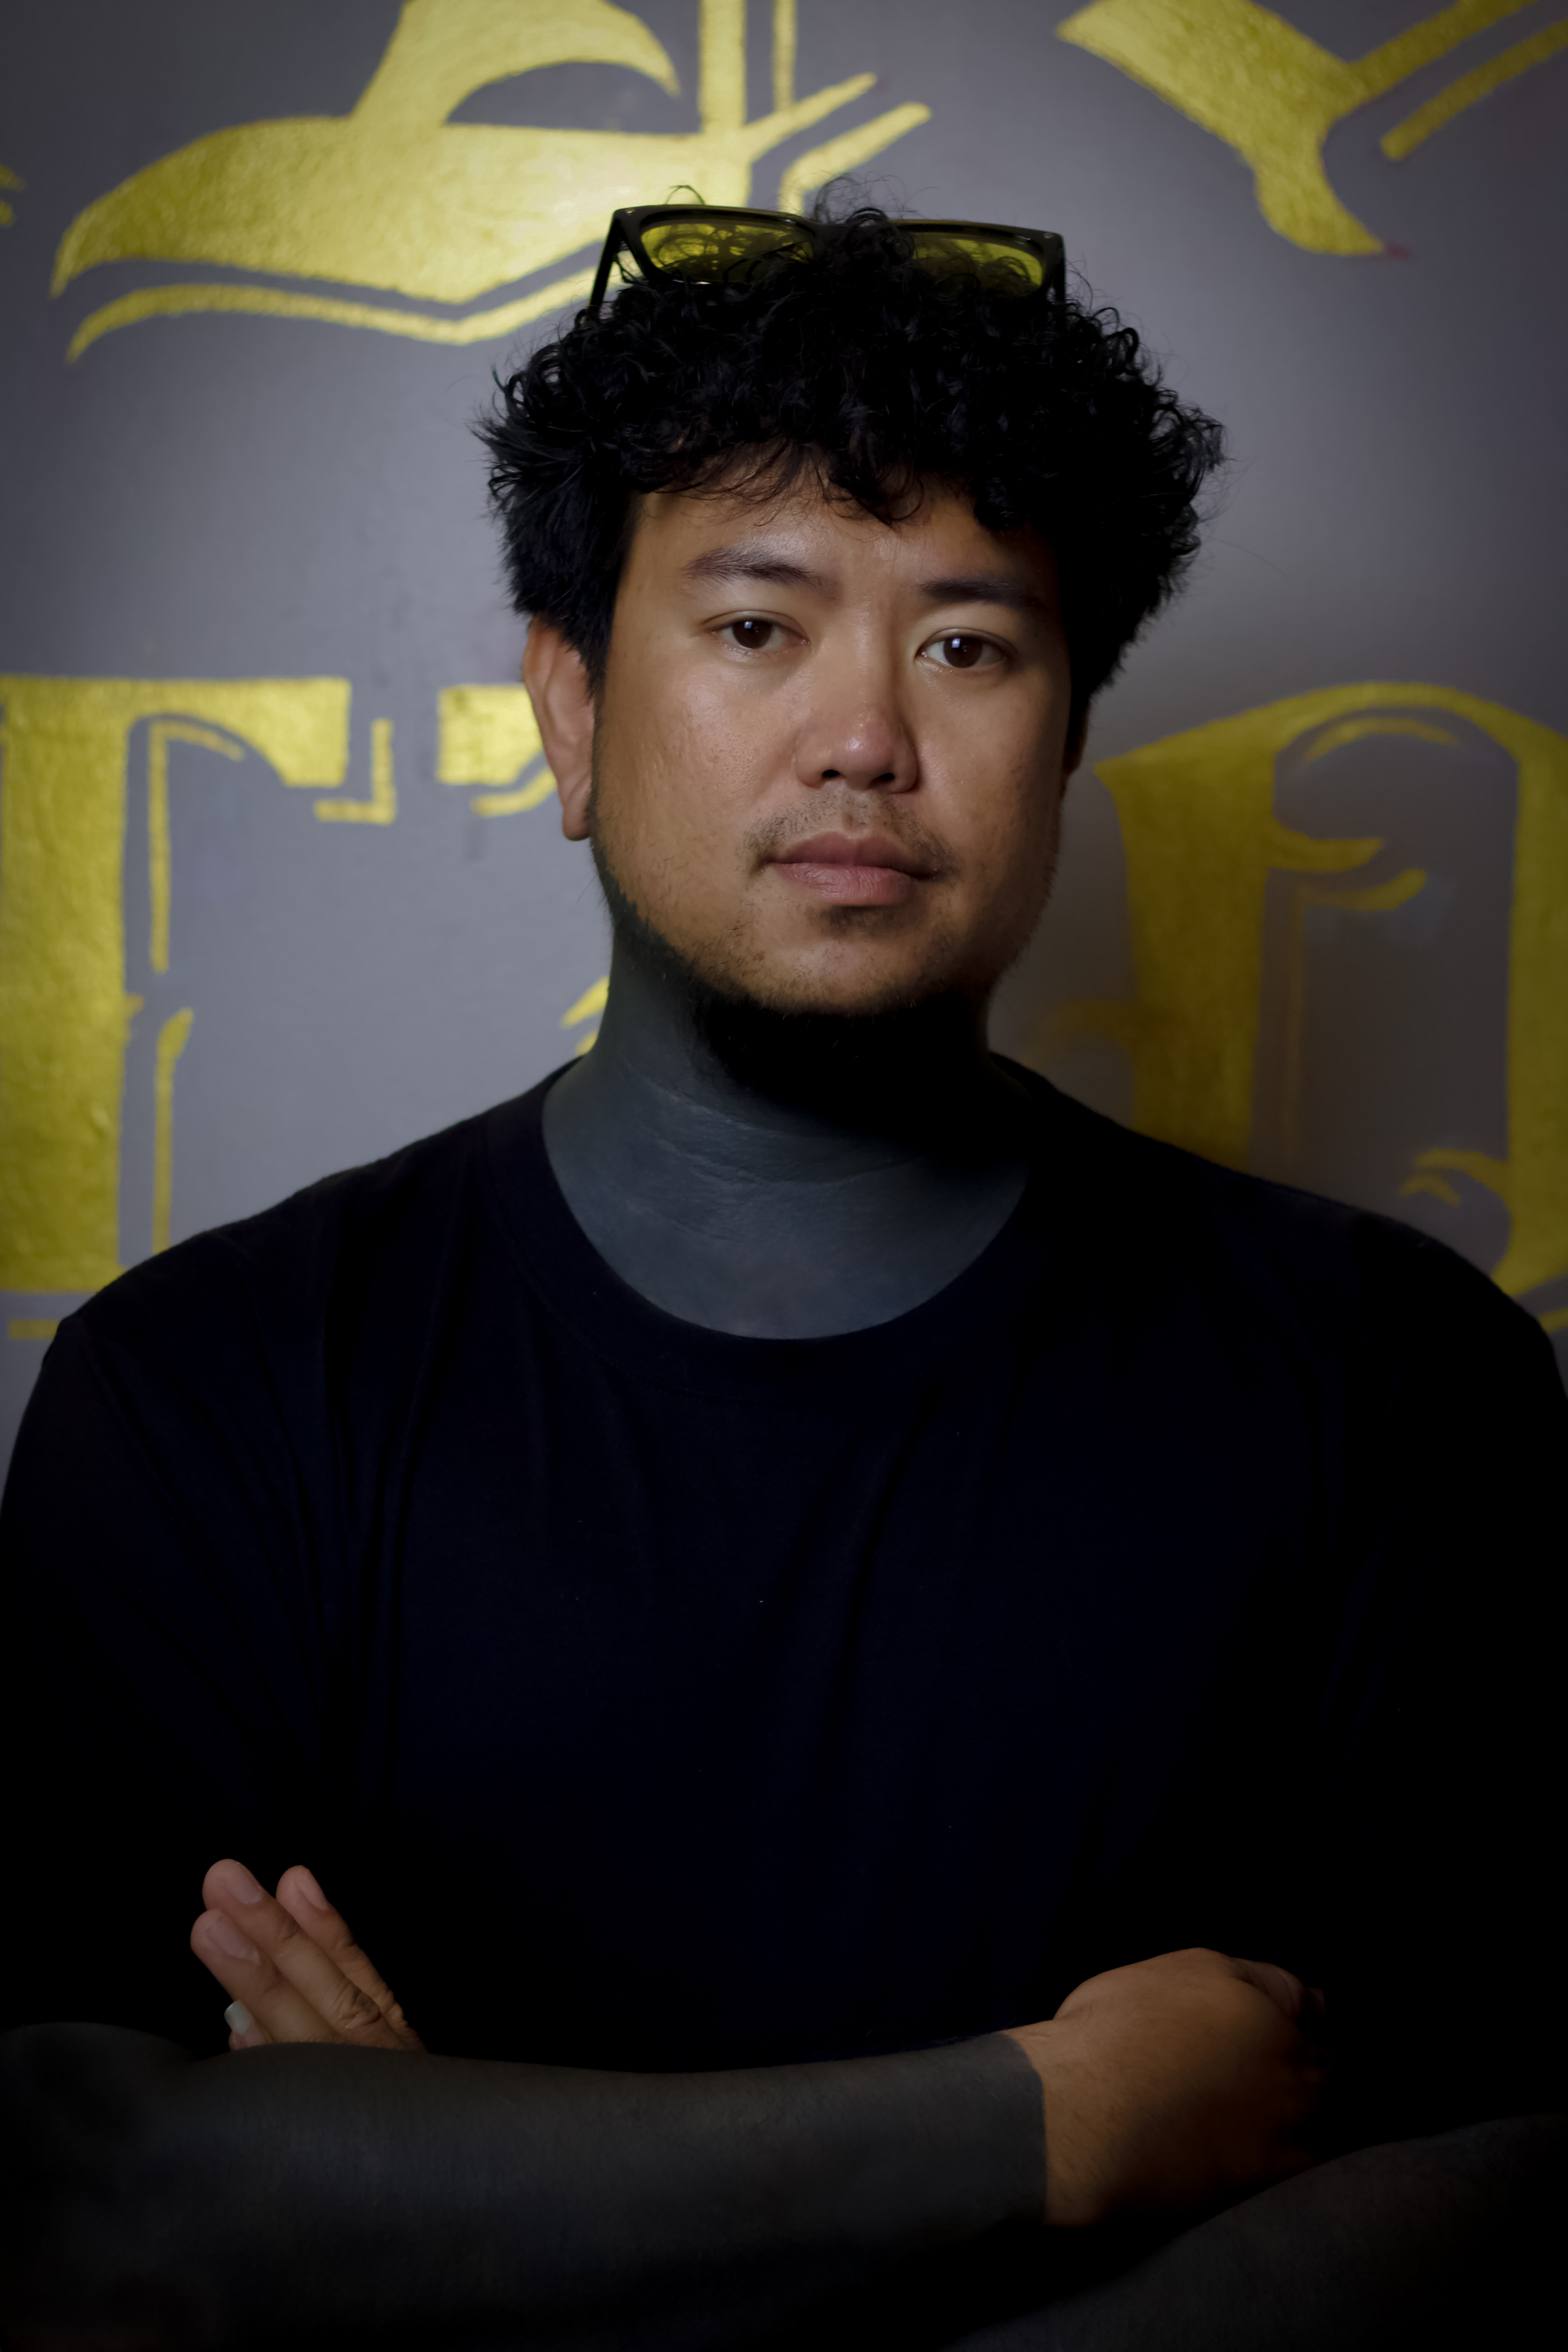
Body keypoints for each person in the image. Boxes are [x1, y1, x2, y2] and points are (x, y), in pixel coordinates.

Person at [0, 203, 1562, 2350]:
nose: (862, 738)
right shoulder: (218, 1395)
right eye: (755, 626)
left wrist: (448, 2206)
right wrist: (1049, 2120)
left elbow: (1502, 2182)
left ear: (1069, 740)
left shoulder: (1392, 1385)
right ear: (569, 706)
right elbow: (87, 2203)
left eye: (970, 647)